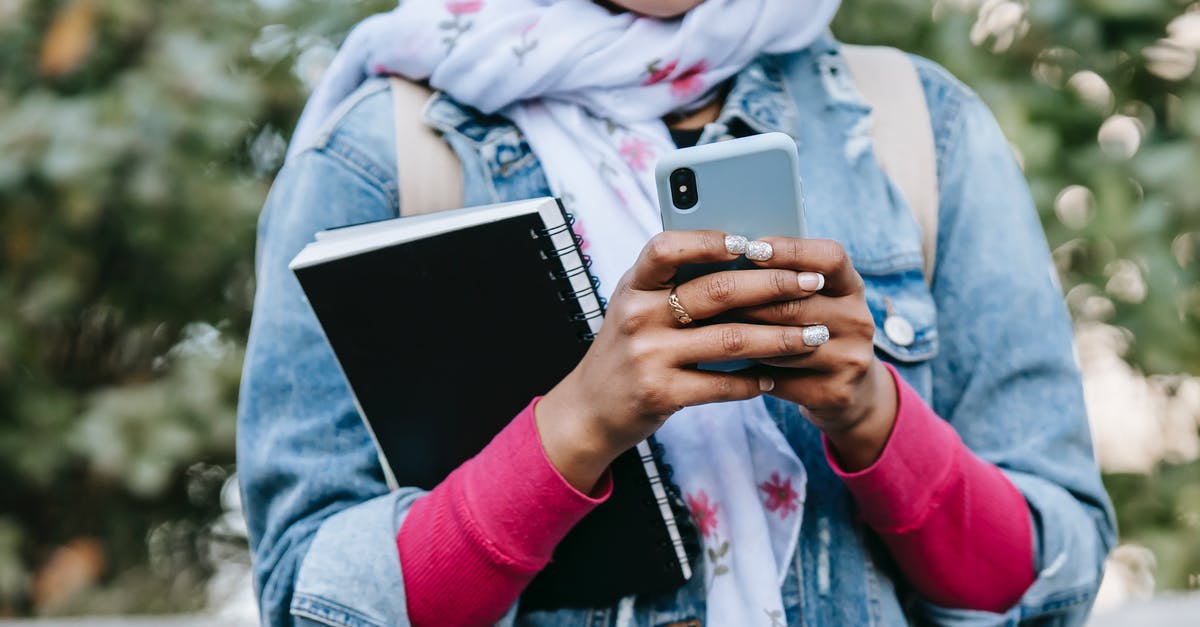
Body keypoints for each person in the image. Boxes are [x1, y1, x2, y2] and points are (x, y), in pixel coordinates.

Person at [236, 0, 1117, 625]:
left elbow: (1045, 588)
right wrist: (575, 429)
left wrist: (873, 416)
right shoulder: (377, 159)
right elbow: (314, 598)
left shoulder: (919, 128)